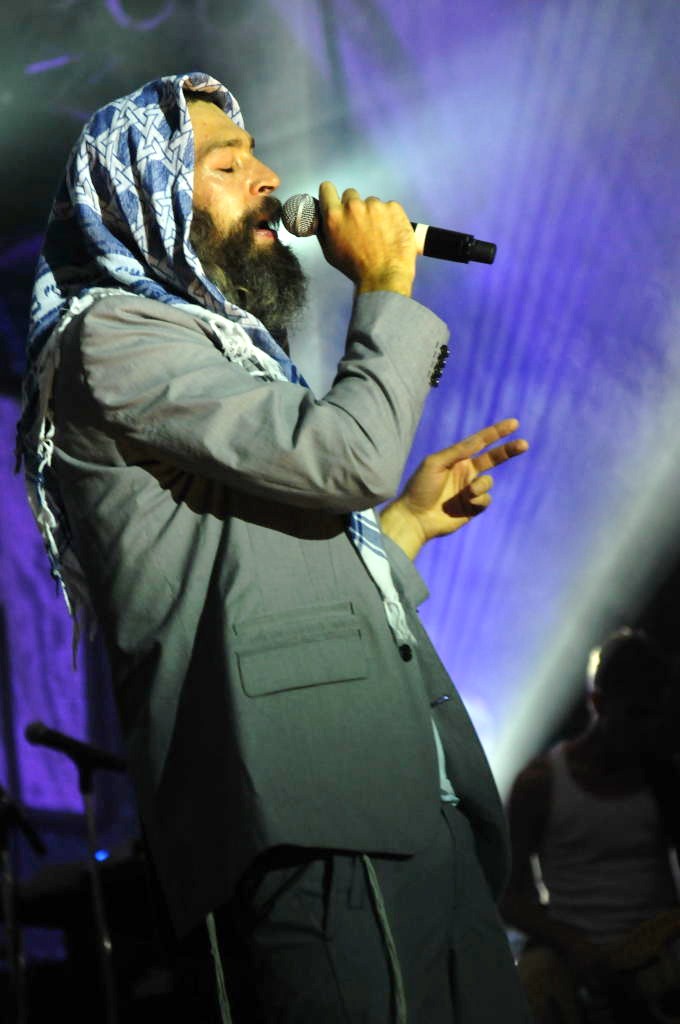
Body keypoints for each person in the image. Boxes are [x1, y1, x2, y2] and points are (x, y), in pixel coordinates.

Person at [18, 72, 532, 1023]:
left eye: (258, 155)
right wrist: (385, 283)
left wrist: (407, 525)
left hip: (413, 803)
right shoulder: (114, 337)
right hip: (313, 812)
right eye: (227, 163)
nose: (268, 179)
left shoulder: (227, 353)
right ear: (145, 195)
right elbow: (348, 457)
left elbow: (267, 564)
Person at [501, 628, 680, 1024]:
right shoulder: (539, 784)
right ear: (599, 702)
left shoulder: (663, 778)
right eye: (636, 713)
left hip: (660, 955)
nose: (647, 729)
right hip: (573, 962)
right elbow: (509, 896)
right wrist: (572, 944)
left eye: (655, 714)